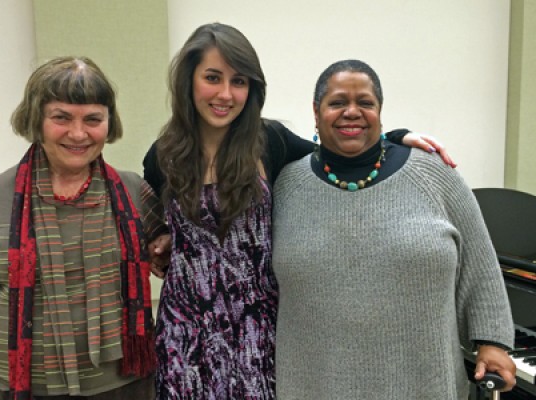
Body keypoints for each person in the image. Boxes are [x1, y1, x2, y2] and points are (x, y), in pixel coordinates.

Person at [143, 23, 455, 399]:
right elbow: (167, 226)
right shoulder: (162, 157)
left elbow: (339, 151)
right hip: (185, 332)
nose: (225, 93)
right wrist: (160, 239)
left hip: (258, 333)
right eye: (213, 78)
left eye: (239, 81)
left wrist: (392, 137)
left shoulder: (269, 141)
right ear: (189, 80)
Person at [271, 59, 516, 399]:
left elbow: (480, 263)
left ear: (380, 111)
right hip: (314, 382)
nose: (351, 112)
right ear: (316, 111)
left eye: (365, 103)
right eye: (338, 102)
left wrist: (492, 342)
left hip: (424, 383)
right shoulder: (286, 185)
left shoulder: (434, 175)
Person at [0, 56, 169, 400]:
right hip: (23, 389)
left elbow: (181, 260)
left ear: (109, 123)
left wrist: (165, 248)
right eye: (61, 118)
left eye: (93, 119)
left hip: (127, 386)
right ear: (37, 119)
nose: (78, 133)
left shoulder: (136, 193)